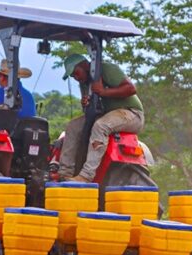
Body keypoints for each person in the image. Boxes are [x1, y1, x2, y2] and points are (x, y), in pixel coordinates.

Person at [59, 53, 144, 182]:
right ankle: (65, 173)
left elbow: (131, 89)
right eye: (73, 76)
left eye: (76, 73)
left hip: (131, 114)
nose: (76, 78)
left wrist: (104, 92)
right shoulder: (84, 83)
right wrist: (86, 104)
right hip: (106, 114)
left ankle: (86, 175)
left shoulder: (107, 70)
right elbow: (90, 111)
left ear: (85, 65)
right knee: (73, 126)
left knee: (101, 125)